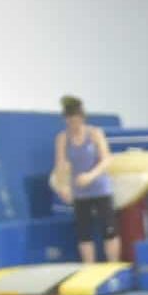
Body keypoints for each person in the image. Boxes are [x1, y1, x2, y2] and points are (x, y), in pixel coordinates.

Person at [56, 96, 117, 264]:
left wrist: (91, 175)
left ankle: (113, 266)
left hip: (100, 188)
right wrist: (63, 186)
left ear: (82, 118)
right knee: (84, 233)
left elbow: (107, 159)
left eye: (76, 122)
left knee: (109, 229)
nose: (73, 126)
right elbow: (61, 164)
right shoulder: (63, 137)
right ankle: (88, 269)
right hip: (80, 192)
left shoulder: (95, 133)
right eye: (69, 122)